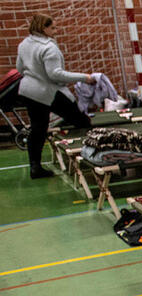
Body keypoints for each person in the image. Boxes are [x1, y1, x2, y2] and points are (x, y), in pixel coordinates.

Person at [16, 13, 94, 179]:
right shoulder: (49, 48)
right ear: (43, 28)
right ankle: (90, 158)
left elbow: (20, 68)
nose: (56, 31)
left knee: (38, 129)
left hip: (27, 91)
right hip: (46, 92)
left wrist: (35, 75)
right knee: (82, 122)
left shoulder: (24, 44)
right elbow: (55, 75)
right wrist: (84, 77)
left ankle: (35, 167)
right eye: (53, 27)